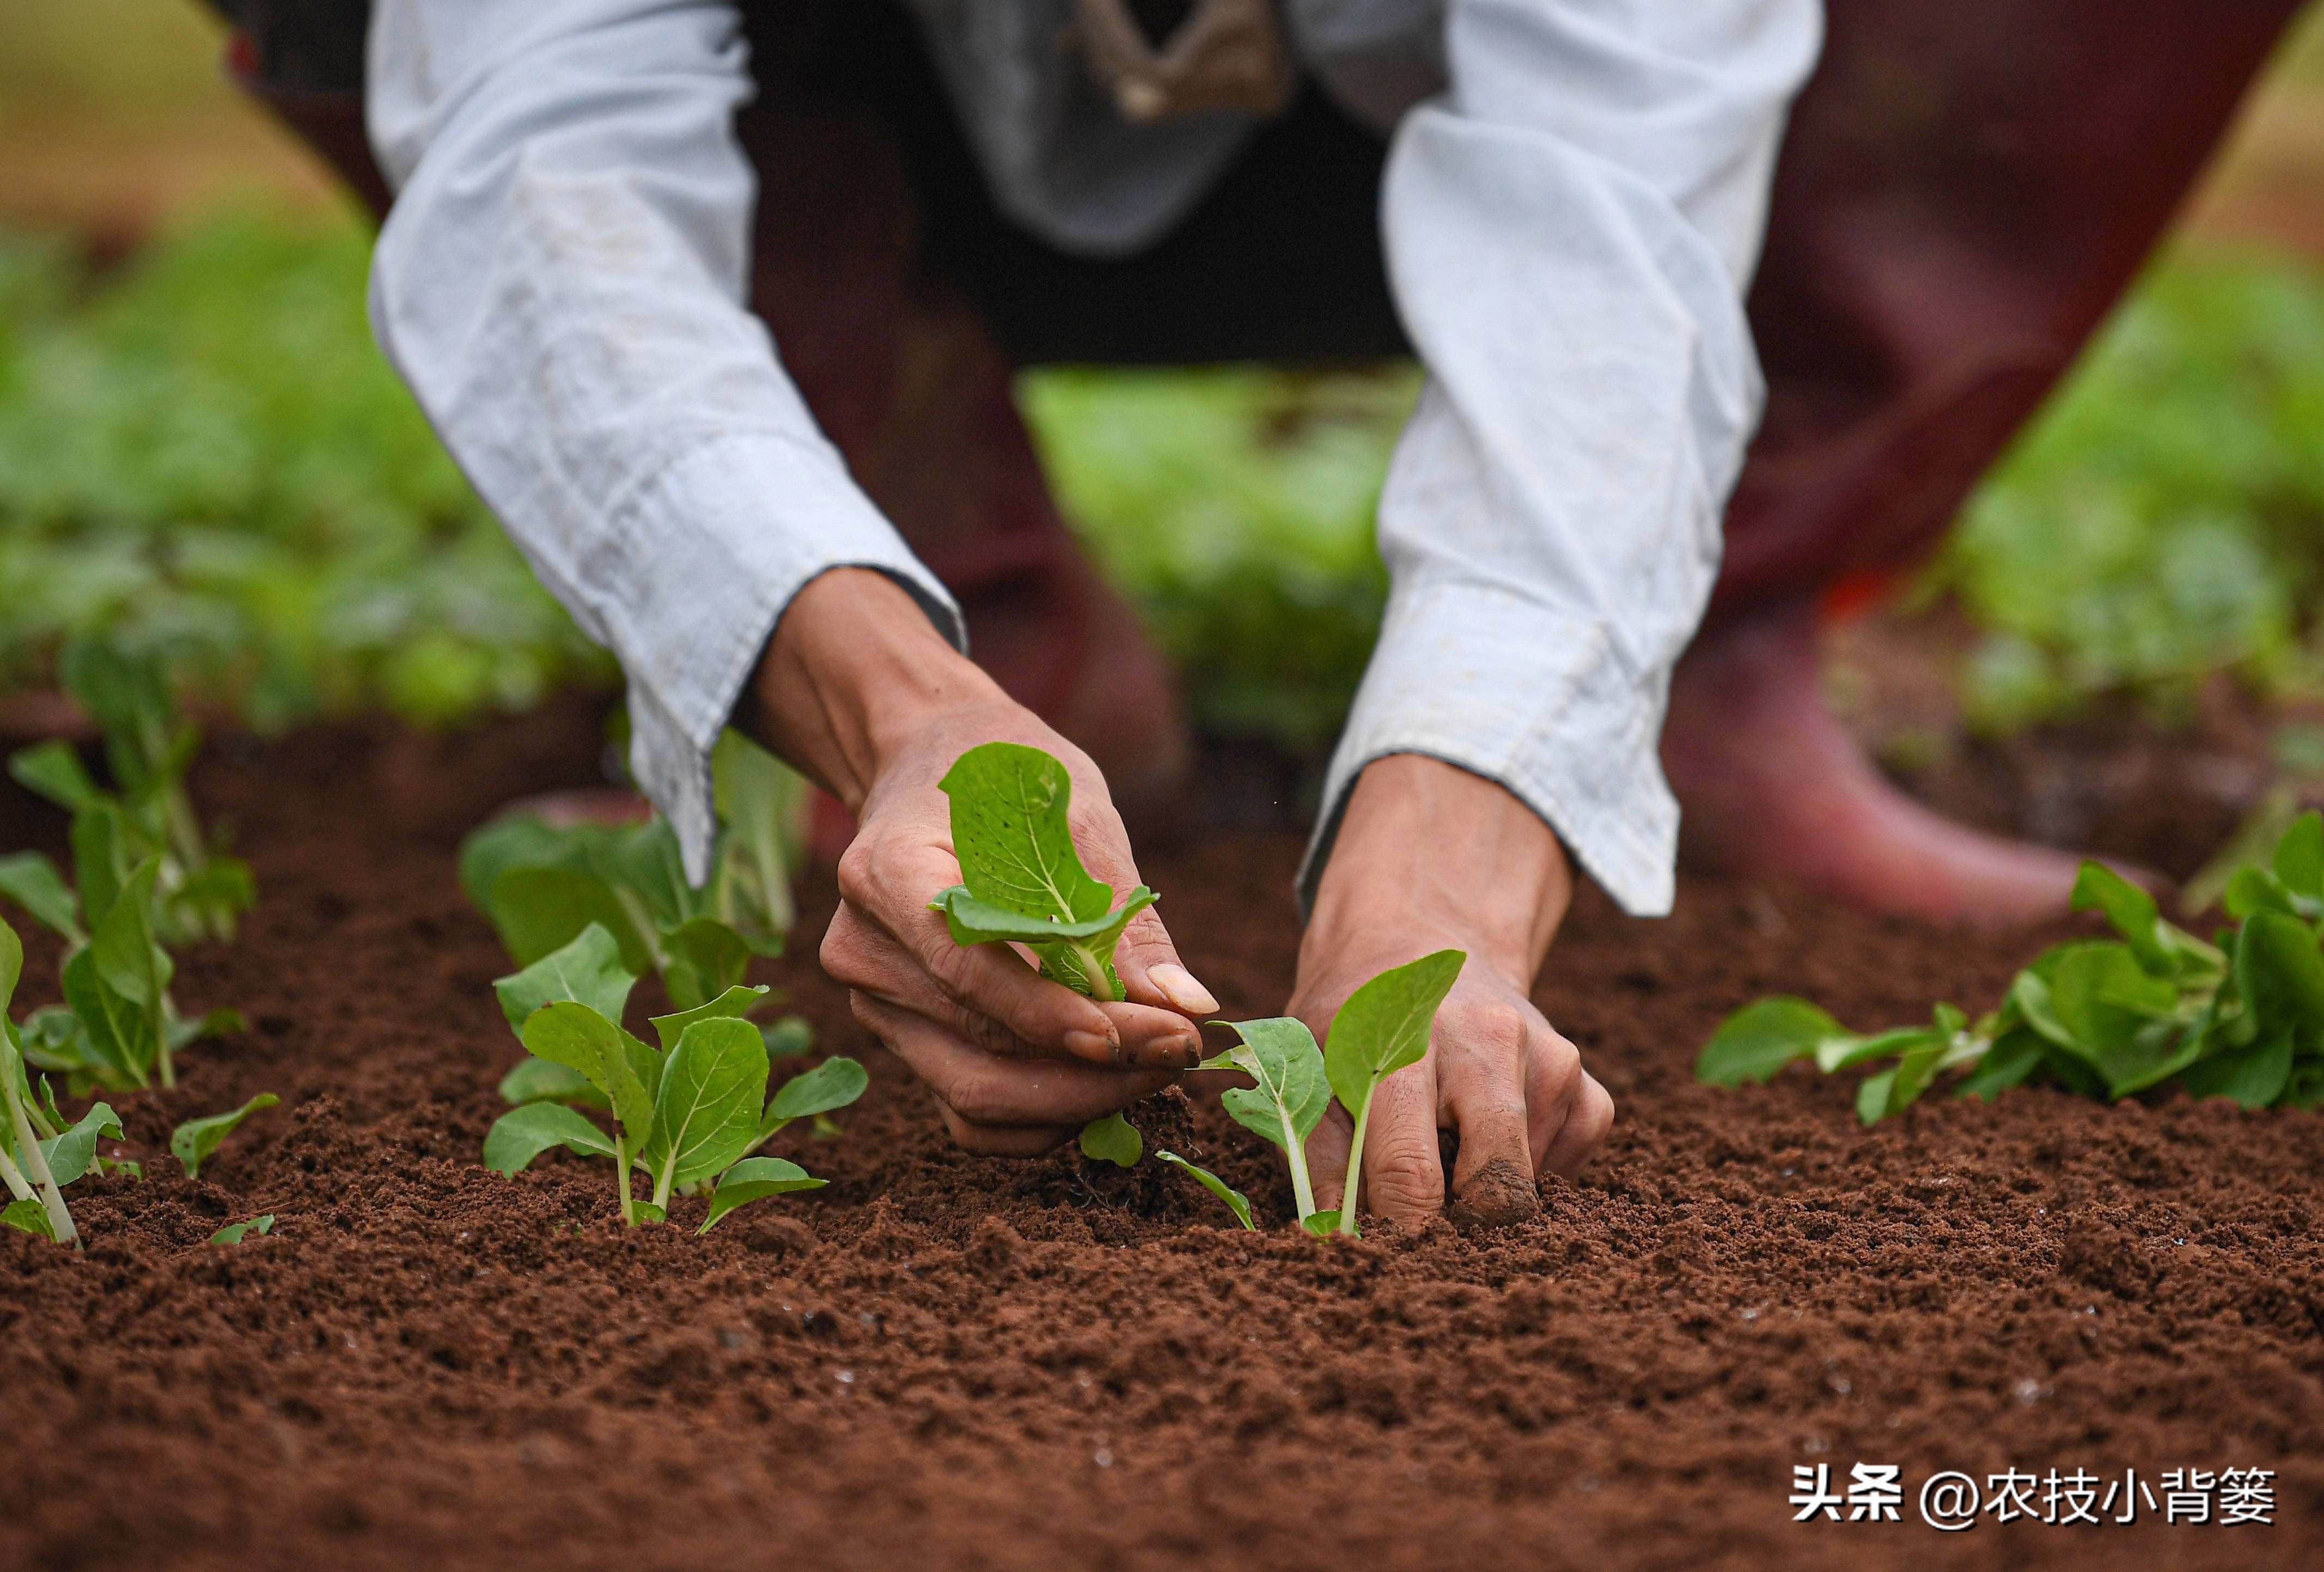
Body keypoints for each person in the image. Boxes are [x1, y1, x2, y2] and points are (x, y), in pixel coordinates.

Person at [210, 0, 2303, 1228]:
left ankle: (1702, 643)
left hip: (1415, 113)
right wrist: (880, 694)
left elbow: (1619, 185)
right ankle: (962, 606)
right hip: (857, 99)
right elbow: (539, 125)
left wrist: (1468, 788)